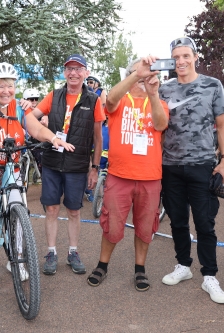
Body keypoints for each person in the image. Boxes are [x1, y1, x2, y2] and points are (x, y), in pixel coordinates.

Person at [0, 62, 74, 285]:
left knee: (19, 215)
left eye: (10, 85)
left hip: (10, 169)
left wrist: (53, 138)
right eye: (1, 86)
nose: (6, 91)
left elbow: (35, 129)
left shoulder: (19, 108)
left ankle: (16, 259)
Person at [158, 37, 224, 304]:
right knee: (177, 220)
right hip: (171, 166)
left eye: (185, 56)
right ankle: (183, 266)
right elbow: (159, 127)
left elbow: (222, 126)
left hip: (202, 164)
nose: (181, 62)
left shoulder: (213, 85)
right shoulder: (164, 89)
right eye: (176, 57)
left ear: (195, 56)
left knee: (204, 223)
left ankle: (209, 276)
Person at [86, 57, 168, 290]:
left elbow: (161, 125)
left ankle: (140, 269)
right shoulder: (121, 101)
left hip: (150, 178)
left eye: (149, 73)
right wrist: (137, 73)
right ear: (130, 76)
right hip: (119, 176)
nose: (144, 76)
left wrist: (152, 93)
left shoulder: (159, 103)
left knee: (145, 228)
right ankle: (102, 265)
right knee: (111, 224)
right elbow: (110, 99)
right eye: (138, 73)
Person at [30, 54, 105, 275]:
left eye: (78, 69)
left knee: (73, 210)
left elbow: (98, 138)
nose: (73, 73)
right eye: (69, 69)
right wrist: (33, 117)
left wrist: (94, 168)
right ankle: (51, 252)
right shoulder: (53, 96)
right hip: (52, 162)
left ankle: (73, 252)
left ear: (86, 73)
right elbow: (31, 117)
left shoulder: (93, 100)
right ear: (64, 73)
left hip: (78, 165)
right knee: (51, 209)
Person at [23, 87, 45, 175]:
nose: (34, 101)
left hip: (38, 143)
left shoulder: (42, 113)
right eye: (31, 99)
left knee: (42, 160)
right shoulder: (20, 111)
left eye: (36, 99)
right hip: (24, 142)